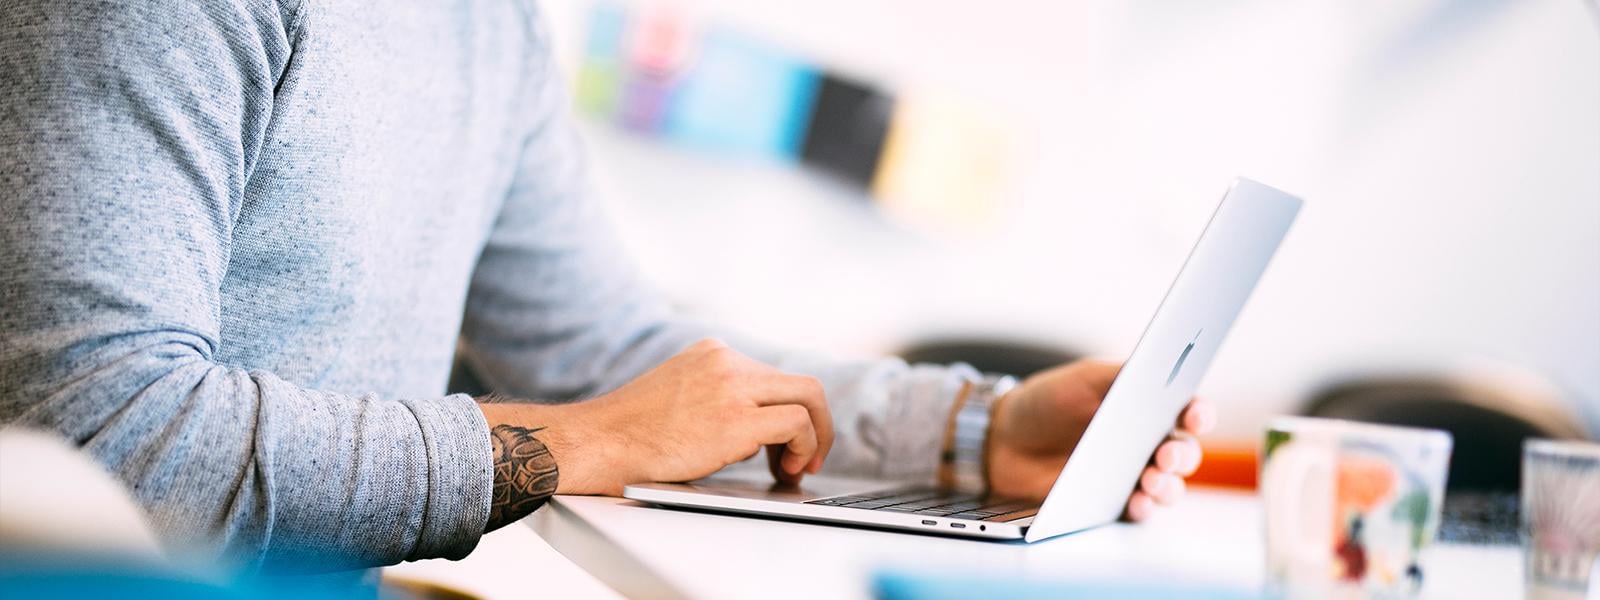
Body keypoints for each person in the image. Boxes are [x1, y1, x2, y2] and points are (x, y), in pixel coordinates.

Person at [0, 0, 1214, 577]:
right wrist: (575, 443)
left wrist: (977, 428)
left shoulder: (489, 29)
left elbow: (605, 347)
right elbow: (104, 428)